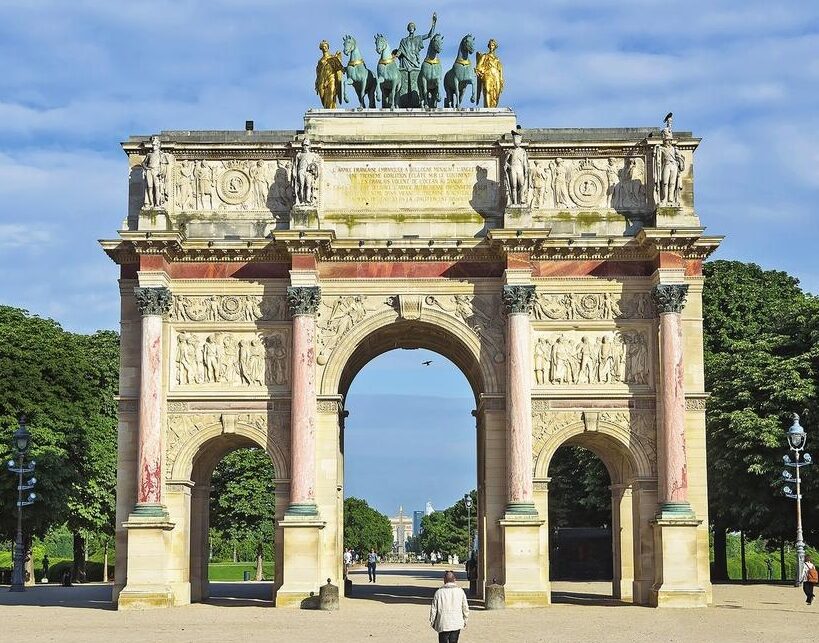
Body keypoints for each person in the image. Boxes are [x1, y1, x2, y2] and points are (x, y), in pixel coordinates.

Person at [429, 570, 469, 643]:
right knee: (454, 641)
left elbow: (434, 609)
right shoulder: (460, 591)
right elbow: (465, 608)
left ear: (444, 580)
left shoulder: (439, 593)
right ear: (454, 580)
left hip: (443, 622)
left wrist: (433, 621)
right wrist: (465, 619)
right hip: (456, 622)